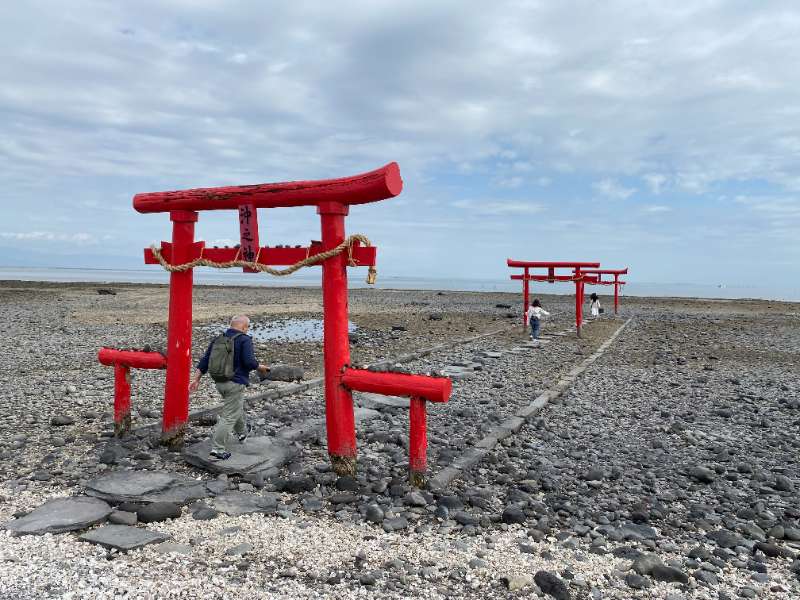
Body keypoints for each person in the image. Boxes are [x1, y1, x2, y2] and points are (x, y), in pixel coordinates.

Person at [189, 315, 269, 460]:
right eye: (247, 327)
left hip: (219, 382)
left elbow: (204, 361)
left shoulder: (218, 339)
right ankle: (217, 450)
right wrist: (261, 367)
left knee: (235, 407)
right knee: (229, 416)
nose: (247, 330)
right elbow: (249, 362)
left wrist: (196, 379)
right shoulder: (245, 339)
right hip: (235, 383)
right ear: (244, 327)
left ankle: (242, 432)